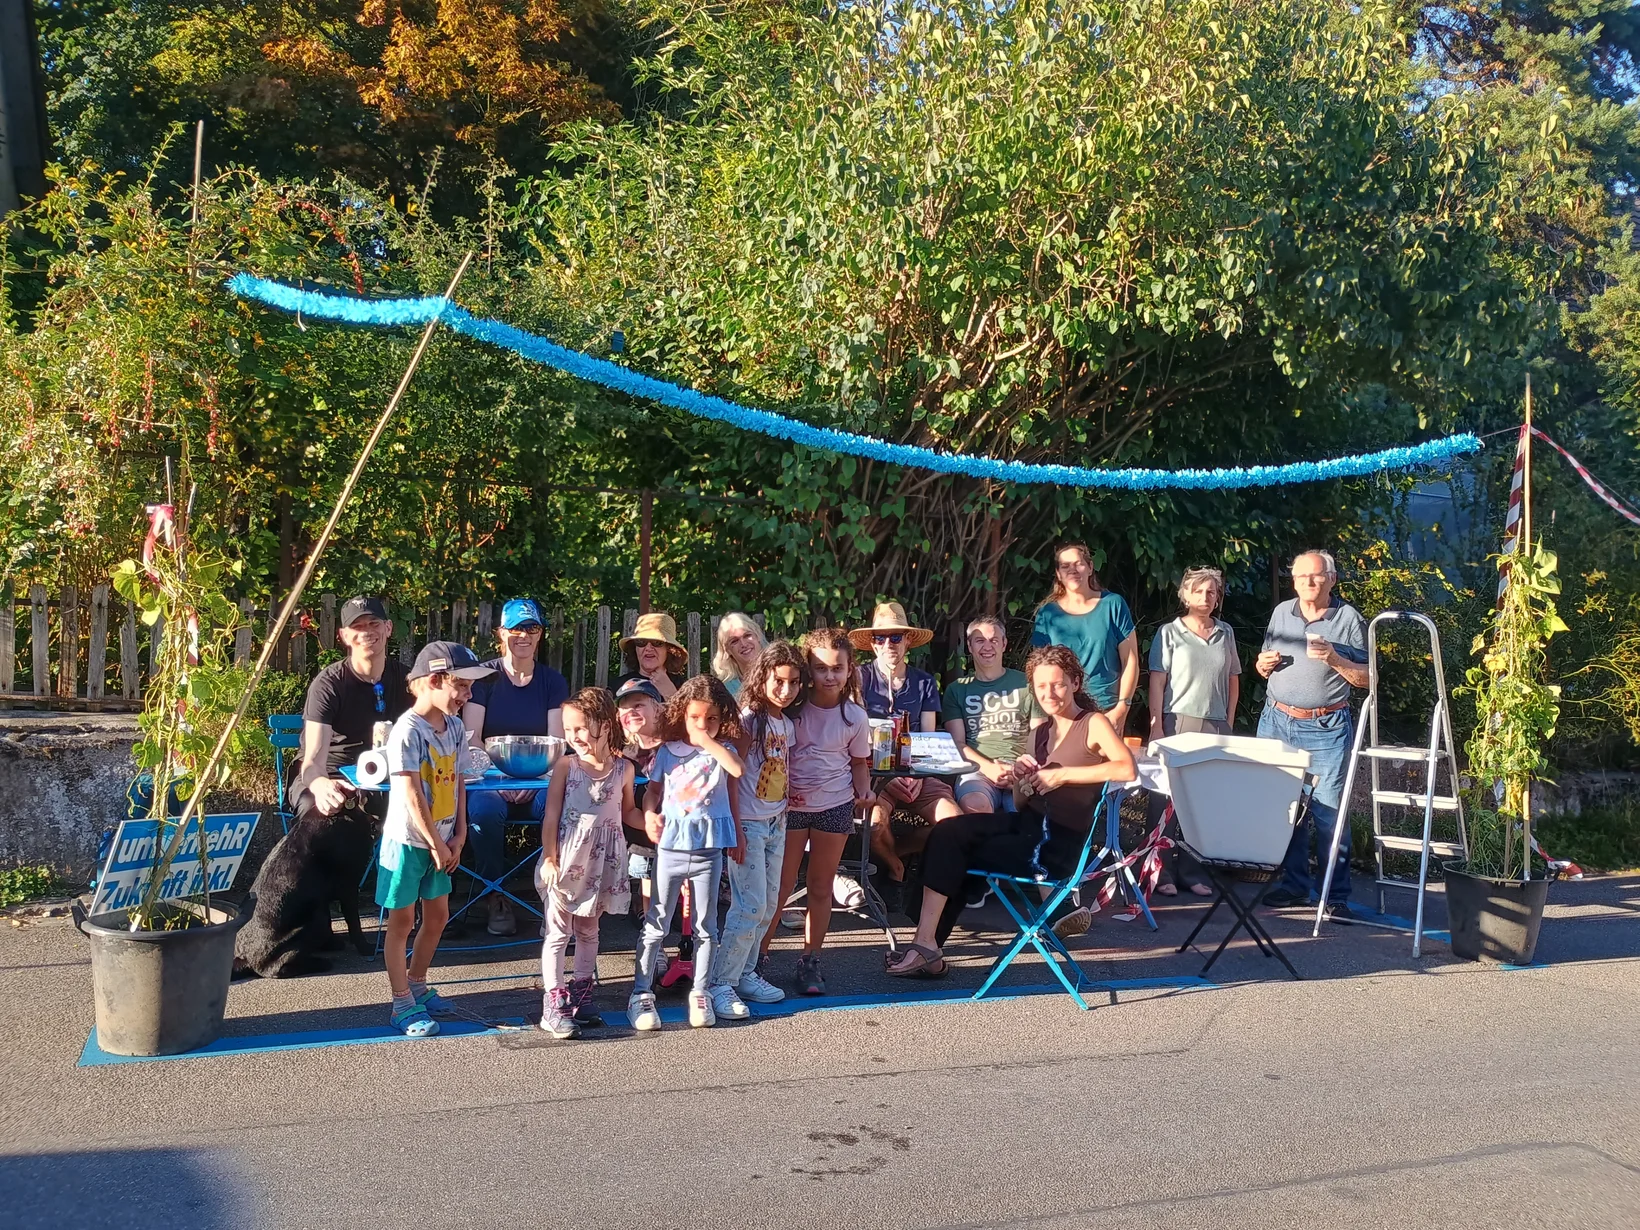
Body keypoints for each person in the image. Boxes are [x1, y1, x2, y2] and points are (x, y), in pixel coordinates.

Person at [887, 645, 1136, 977]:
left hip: (1055, 844)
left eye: (1058, 684)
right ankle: (928, 943)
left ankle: (927, 947)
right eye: (1041, 686)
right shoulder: (1038, 734)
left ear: (1075, 683)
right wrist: (1021, 778)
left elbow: (1126, 769)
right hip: (1027, 826)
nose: (1049, 693)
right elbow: (1021, 802)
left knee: (959, 848)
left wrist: (1062, 774)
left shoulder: (1092, 723)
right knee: (949, 831)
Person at [376, 641, 495, 1036]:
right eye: (460, 685)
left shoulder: (457, 726)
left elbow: (460, 781)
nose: (467, 695)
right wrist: (435, 842)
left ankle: (418, 984)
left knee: (439, 915)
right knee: (402, 921)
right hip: (409, 843)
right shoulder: (406, 731)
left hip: (442, 840)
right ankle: (400, 1002)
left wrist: (459, 833)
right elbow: (409, 793)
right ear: (432, 681)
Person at [1254, 550, 1369, 920]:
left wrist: (1335, 659)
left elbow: (1369, 679)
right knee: (1285, 809)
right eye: (1301, 576)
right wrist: (1262, 664)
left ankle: (1335, 895)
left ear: (1332, 579)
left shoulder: (1349, 619)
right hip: (1276, 720)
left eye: (1316, 576)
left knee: (1329, 813)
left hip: (1325, 726)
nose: (1307, 582)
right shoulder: (1281, 612)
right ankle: (1294, 885)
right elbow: (1263, 661)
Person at [629, 675, 746, 1032]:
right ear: (682, 714)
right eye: (695, 718)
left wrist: (707, 740)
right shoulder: (667, 752)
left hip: (708, 850)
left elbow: (737, 770)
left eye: (711, 718)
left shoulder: (722, 750)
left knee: (706, 927)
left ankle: (701, 991)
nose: (702, 725)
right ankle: (640, 993)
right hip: (671, 849)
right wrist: (650, 815)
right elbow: (653, 791)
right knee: (657, 923)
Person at [763, 628, 876, 996]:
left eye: (837, 668)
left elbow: (859, 762)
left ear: (849, 670)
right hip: (791, 807)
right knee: (779, 886)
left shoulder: (854, 716)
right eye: (821, 668)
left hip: (835, 806)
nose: (829, 676)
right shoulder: (792, 710)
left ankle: (810, 958)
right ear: (808, 670)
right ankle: (757, 957)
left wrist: (864, 789)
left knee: (821, 887)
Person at [461, 597, 570, 937]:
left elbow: (556, 740)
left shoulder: (553, 682)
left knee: (559, 811)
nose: (523, 635)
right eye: (515, 629)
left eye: (531, 628)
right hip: (491, 777)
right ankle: (496, 893)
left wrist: (534, 776)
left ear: (540, 635)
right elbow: (472, 739)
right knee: (482, 813)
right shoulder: (483, 679)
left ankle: (553, 895)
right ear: (501, 633)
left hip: (540, 777)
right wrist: (502, 776)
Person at [535, 687, 637, 1040]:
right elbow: (550, 817)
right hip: (567, 860)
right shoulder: (567, 766)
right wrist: (549, 856)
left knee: (589, 930)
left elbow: (628, 812)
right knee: (558, 931)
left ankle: (582, 992)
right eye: (568, 729)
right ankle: (553, 1002)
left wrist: (659, 819)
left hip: (602, 862)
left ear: (606, 726)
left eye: (580, 728)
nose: (572, 736)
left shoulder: (624, 769)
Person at [711, 640, 804, 1016]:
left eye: (795, 682)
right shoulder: (749, 718)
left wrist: (789, 793)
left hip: (775, 820)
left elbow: (780, 767)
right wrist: (733, 827)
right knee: (747, 905)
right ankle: (722, 982)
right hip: (747, 822)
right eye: (779, 681)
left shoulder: (786, 722)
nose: (786, 689)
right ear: (762, 677)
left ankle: (746, 973)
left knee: (766, 906)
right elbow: (732, 776)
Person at [1146, 567, 1240, 897]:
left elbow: (1232, 679)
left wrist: (1227, 722)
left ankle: (1192, 871)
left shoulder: (1225, 633)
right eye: (1198, 591)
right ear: (1185, 595)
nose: (1205, 597)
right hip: (1178, 722)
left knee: (1202, 803)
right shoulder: (1169, 632)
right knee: (1166, 800)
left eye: (1212, 592)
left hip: (1215, 724)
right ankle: (1161, 872)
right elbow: (1157, 681)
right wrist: (1156, 725)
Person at [853, 602, 960, 884]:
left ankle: (903, 848)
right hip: (875, 777)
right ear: (873, 644)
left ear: (908, 641)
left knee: (956, 825)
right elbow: (856, 737)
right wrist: (888, 779)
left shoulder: (924, 682)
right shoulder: (858, 679)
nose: (889, 644)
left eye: (896, 637)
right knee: (874, 824)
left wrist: (919, 776)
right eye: (880, 637)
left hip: (917, 775)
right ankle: (895, 867)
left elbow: (927, 737)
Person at [291, 596, 411, 829]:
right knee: (316, 808)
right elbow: (312, 762)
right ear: (344, 636)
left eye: (374, 623)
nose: (366, 632)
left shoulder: (407, 681)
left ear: (388, 628)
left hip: (386, 778)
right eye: (357, 626)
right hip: (332, 772)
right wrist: (321, 786)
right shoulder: (328, 684)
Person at [1031, 542, 1140, 735]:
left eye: (1078, 564)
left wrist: (1122, 708)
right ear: (1058, 574)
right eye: (1065, 566)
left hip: (1106, 709)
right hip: (1062, 711)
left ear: (1090, 568)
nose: (1072, 570)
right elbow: (1039, 669)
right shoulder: (1047, 614)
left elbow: (1130, 660)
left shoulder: (1113, 605)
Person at [942, 616, 1037, 814]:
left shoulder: (1027, 684)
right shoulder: (957, 690)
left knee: (1024, 815)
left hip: (1022, 770)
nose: (987, 646)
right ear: (969, 646)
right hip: (977, 769)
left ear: (1004, 644)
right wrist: (990, 769)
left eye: (994, 640)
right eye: (979, 640)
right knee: (975, 806)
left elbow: (1040, 734)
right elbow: (958, 744)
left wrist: (1021, 771)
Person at [615, 612, 689, 701]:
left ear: (669, 650)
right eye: (641, 642)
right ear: (635, 648)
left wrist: (671, 693)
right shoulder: (618, 686)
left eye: (657, 642)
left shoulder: (685, 688)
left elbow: (690, 714)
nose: (648, 648)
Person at [713, 612, 768, 697]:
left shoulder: (778, 675)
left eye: (747, 635)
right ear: (727, 650)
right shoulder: (726, 690)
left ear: (758, 636)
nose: (743, 644)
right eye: (734, 641)